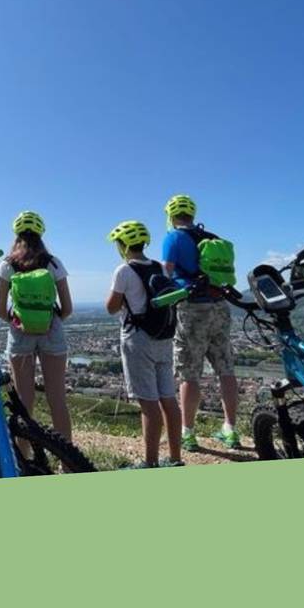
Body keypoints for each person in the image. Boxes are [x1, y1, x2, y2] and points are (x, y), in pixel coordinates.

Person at [160, 194, 239, 450]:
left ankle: (188, 433)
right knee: (225, 369)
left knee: (189, 373)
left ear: (171, 216)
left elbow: (166, 273)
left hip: (192, 308)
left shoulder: (173, 237)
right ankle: (230, 429)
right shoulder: (211, 237)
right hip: (220, 306)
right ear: (192, 214)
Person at [105, 221, 183, 468]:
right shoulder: (161, 267)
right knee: (168, 400)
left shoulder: (123, 271)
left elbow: (111, 307)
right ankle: (175, 458)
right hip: (164, 337)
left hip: (138, 339)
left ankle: (150, 463)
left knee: (148, 404)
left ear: (123, 245)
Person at [0, 211, 73, 443]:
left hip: (20, 335)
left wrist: (20, 320)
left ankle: (26, 462)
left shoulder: (7, 265)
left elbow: (0, 311)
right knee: (57, 399)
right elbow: (67, 307)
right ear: (41, 235)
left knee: (24, 402)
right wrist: (50, 318)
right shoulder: (53, 263)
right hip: (52, 331)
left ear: (16, 236)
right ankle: (67, 462)